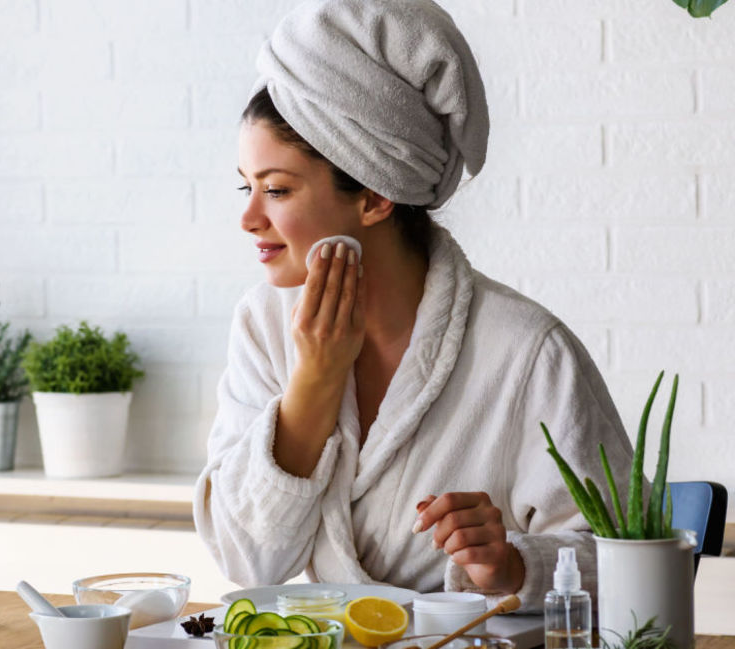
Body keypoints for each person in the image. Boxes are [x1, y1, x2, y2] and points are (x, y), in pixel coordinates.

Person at [192, 0, 633, 608]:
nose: (247, 217)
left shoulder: (527, 351)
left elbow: (627, 559)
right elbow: (248, 560)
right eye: (247, 186)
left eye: (276, 189)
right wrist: (313, 382)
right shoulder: (265, 326)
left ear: (375, 196)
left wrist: (510, 564)